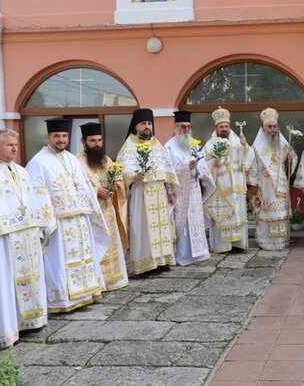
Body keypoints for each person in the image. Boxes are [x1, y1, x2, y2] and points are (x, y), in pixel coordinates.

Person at [26, 119, 108, 313]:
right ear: (49, 137)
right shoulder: (38, 162)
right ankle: (63, 300)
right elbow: (37, 193)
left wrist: (92, 210)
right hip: (58, 224)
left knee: (84, 258)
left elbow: (86, 186)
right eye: (57, 136)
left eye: (64, 136)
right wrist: (47, 222)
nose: (61, 140)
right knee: (60, 262)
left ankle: (86, 293)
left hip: (80, 219)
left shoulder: (71, 158)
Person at [0, 129, 54, 348]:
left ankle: (31, 321)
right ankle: (9, 327)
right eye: (9, 145)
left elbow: (33, 199)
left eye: (16, 145)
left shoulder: (22, 171)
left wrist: (41, 225)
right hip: (4, 238)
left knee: (32, 275)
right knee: (6, 280)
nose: (15, 149)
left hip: (27, 233)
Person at [117, 108, 178, 275]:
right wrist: (133, 177)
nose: (147, 127)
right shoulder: (129, 145)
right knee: (143, 228)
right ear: (136, 126)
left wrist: (171, 191)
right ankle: (144, 264)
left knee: (161, 227)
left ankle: (161, 261)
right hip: (141, 193)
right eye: (143, 123)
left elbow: (167, 168)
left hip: (159, 191)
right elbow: (121, 170)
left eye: (149, 123)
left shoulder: (156, 144)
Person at [76, 122, 129, 292]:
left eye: (99, 140)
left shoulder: (106, 160)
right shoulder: (77, 162)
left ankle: (114, 279)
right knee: (96, 244)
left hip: (108, 211)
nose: (97, 144)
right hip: (93, 215)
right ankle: (98, 281)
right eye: (93, 141)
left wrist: (115, 187)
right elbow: (76, 187)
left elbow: (119, 179)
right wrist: (96, 191)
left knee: (112, 244)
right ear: (83, 141)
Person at [165, 111, 216, 266]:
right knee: (183, 222)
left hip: (194, 190)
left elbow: (203, 167)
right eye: (183, 127)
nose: (186, 130)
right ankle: (184, 255)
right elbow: (169, 171)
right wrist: (186, 167)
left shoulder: (193, 144)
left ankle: (200, 252)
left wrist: (197, 168)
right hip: (180, 191)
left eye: (189, 127)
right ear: (176, 127)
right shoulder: (169, 146)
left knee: (195, 221)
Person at [203, 107, 256, 252]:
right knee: (223, 215)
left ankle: (238, 244)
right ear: (217, 128)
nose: (224, 129)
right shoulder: (209, 145)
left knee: (237, 214)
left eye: (226, 126)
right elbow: (203, 166)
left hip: (237, 188)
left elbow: (249, 158)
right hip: (220, 188)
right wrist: (213, 163)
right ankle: (223, 246)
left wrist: (245, 146)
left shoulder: (238, 142)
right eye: (221, 127)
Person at [249, 108, 298, 250]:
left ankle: (282, 241)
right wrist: (253, 185)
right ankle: (265, 241)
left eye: (274, 126)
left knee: (280, 213)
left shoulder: (282, 143)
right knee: (266, 212)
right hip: (264, 186)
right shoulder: (256, 147)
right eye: (269, 126)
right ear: (263, 128)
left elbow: (291, 160)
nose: (272, 129)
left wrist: (290, 158)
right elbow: (253, 166)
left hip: (280, 185)